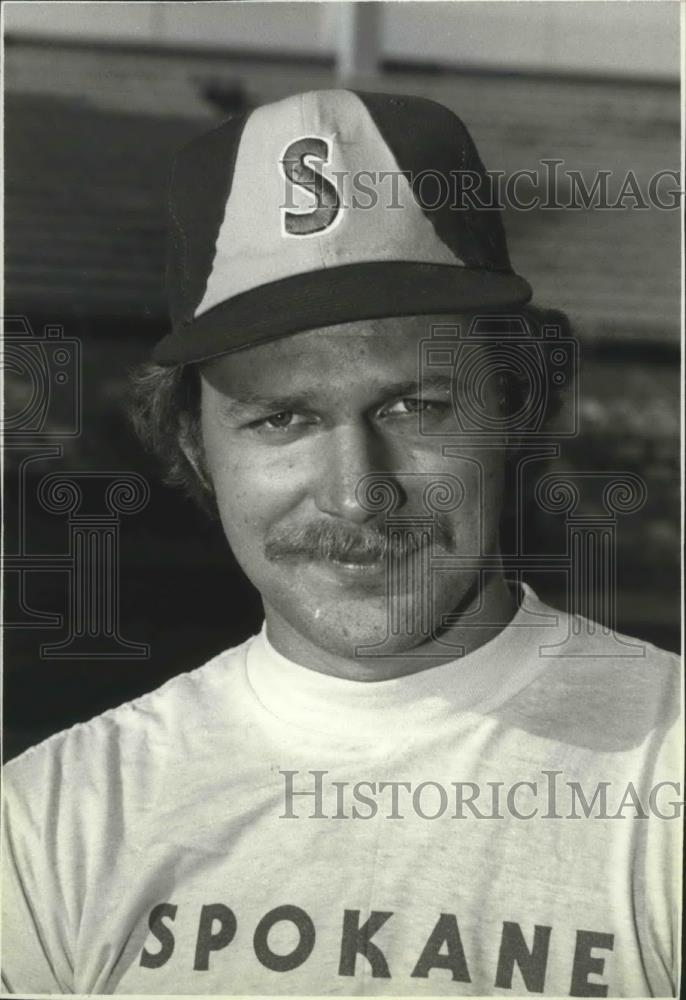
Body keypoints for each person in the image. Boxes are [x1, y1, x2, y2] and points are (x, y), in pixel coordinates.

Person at [2, 89, 680, 997]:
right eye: (283, 418)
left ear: (516, 408)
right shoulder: (52, 824)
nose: (359, 492)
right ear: (199, 450)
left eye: (415, 405)